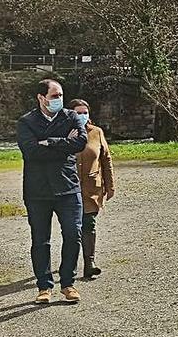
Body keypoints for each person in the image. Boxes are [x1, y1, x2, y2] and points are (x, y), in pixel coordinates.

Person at [16, 78, 88, 304]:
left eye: (61, 96)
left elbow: (80, 143)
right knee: (41, 240)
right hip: (38, 191)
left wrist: (48, 142)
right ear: (41, 98)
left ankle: (68, 283)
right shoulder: (27, 121)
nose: (59, 100)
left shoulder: (71, 117)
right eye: (54, 96)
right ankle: (44, 287)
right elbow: (30, 151)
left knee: (73, 234)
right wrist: (62, 144)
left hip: (68, 187)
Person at [67, 99, 115, 281]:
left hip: (91, 189)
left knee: (89, 224)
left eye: (84, 112)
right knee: (72, 229)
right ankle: (70, 265)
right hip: (69, 188)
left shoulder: (97, 133)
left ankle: (90, 263)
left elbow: (106, 159)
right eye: (77, 112)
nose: (82, 115)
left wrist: (110, 186)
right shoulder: (63, 132)